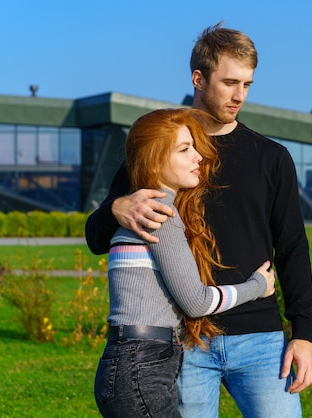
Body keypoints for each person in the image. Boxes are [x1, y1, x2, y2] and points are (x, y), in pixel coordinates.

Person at [85, 22, 312, 417]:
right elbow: (96, 237)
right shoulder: (161, 152)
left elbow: (292, 245)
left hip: (261, 340)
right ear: (198, 77)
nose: (239, 95)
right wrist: (115, 208)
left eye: (247, 84)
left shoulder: (271, 157)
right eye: (229, 82)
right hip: (188, 342)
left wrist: (304, 334)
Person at [93, 108, 276, 418]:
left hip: (128, 362)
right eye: (184, 149)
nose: (198, 157)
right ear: (154, 160)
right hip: (142, 367)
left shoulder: (138, 212)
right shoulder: (160, 215)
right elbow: (196, 302)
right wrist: (258, 286)